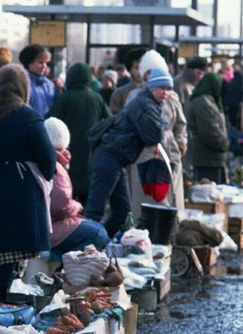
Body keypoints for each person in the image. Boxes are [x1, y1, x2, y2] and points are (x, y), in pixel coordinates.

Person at [0, 64, 57, 303]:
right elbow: (47, 157)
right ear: (22, 87)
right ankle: (3, 298)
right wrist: (46, 176)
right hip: (18, 189)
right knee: (10, 250)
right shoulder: (29, 117)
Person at [84, 67, 170, 238]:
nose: (165, 92)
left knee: (123, 213)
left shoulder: (150, 103)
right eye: (161, 88)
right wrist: (163, 126)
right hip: (110, 156)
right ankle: (84, 251)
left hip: (118, 159)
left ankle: (101, 243)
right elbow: (155, 135)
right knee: (95, 210)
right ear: (152, 87)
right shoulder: (144, 105)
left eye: (168, 89)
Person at [126, 50, 188, 218]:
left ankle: (171, 229)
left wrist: (181, 143)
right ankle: (144, 227)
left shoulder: (171, 96)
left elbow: (181, 124)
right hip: (143, 151)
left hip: (169, 150)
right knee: (144, 195)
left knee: (170, 194)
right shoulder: (135, 96)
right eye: (148, 72)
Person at [44, 117, 109, 263]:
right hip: (49, 226)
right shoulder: (54, 166)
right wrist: (77, 206)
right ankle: (57, 259)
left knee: (95, 227)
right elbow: (61, 207)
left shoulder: (51, 161)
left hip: (48, 222)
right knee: (98, 234)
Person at [46, 62, 112, 206]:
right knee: (87, 198)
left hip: (68, 152)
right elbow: (110, 120)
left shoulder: (65, 99)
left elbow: (50, 121)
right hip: (91, 153)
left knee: (70, 191)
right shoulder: (97, 98)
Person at [185, 72, 229, 184]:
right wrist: (224, 144)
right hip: (208, 159)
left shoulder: (203, 100)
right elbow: (210, 132)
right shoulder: (204, 103)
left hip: (206, 158)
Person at [19, 44, 60, 118]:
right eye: (40, 62)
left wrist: (60, 91)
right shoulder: (22, 83)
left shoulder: (50, 85)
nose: (44, 66)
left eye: (46, 63)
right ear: (29, 63)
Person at [109, 47, 146, 114]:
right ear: (130, 69)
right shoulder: (119, 93)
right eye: (136, 68)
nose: (140, 71)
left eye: (143, 67)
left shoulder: (157, 91)